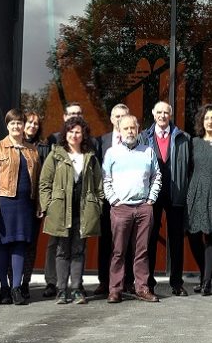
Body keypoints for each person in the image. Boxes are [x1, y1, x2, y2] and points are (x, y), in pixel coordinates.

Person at [39, 116, 105, 304]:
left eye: (78, 132)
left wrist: (97, 206)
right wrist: (48, 206)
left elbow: (99, 185)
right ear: (65, 134)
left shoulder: (90, 157)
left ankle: (76, 289)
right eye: (71, 131)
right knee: (61, 251)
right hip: (60, 211)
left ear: (83, 135)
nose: (74, 135)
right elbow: (44, 183)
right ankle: (61, 290)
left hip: (83, 212)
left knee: (78, 251)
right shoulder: (55, 155)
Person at [102, 114, 161, 303]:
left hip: (143, 207)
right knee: (118, 251)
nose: (130, 131)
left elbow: (156, 176)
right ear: (119, 130)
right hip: (121, 209)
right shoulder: (112, 153)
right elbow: (106, 179)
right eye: (126, 128)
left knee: (141, 251)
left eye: (133, 128)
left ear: (138, 129)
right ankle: (115, 290)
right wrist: (114, 200)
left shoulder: (148, 151)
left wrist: (151, 199)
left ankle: (142, 288)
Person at [0, 109, 41, 305]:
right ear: (7, 125)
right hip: (4, 203)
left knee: (20, 244)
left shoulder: (32, 150)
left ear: (23, 126)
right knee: (3, 245)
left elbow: (38, 180)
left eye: (19, 123)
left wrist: (39, 204)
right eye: (13, 123)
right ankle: (4, 289)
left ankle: (16, 288)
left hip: (26, 204)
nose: (16, 126)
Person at [142, 101, 191, 296]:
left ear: (170, 115)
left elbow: (190, 168)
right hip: (151, 196)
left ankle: (177, 283)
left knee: (176, 240)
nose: (162, 116)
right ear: (153, 114)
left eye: (166, 112)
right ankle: (148, 283)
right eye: (159, 112)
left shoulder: (183, 138)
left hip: (175, 193)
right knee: (150, 238)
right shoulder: (143, 137)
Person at [185, 104, 212, 296]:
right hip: (195, 191)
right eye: (206, 118)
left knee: (211, 234)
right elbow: (188, 168)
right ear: (201, 121)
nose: (210, 121)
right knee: (193, 235)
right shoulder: (194, 142)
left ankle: (207, 282)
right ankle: (205, 274)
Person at [95, 103, 130, 295]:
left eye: (124, 116)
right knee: (106, 241)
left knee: (127, 242)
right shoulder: (101, 141)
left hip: (128, 199)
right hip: (108, 200)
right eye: (117, 116)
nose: (120, 119)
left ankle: (127, 281)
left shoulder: (136, 140)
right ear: (111, 119)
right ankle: (104, 281)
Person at [19, 110, 51, 299]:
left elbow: (44, 180)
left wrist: (42, 204)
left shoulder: (44, 148)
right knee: (16, 243)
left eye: (36, 123)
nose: (32, 126)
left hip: (34, 204)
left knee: (30, 245)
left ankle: (25, 283)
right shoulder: (14, 143)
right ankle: (14, 282)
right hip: (15, 204)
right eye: (29, 122)